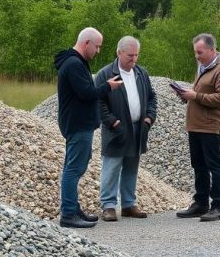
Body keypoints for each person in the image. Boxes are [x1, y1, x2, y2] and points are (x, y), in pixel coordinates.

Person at [53, 27, 121, 229]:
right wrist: (108, 86)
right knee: (73, 169)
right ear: (86, 43)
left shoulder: (74, 62)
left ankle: (73, 209)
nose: (98, 51)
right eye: (97, 46)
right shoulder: (74, 64)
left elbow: (84, 91)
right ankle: (68, 213)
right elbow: (86, 93)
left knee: (75, 167)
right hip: (78, 124)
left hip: (78, 123)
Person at [95, 35, 157, 221]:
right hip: (116, 129)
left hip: (138, 129)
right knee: (112, 167)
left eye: (136, 55)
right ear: (119, 52)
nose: (134, 59)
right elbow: (98, 101)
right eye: (130, 55)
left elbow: (152, 97)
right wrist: (112, 122)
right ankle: (108, 205)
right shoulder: (106, 74)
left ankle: (129, 204)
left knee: (132, 166)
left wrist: (149, 118)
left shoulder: (141, 73)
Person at [174, 33, 220, 222]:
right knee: (198, 165)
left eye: (199, 52)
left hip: (210, 126)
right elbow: (201, 94)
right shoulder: (202, 68)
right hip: (195, 125)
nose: (197, 56)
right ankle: (200, 203)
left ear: (211, 49)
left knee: (213, 165)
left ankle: (218, 206)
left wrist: (195, 96)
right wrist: (187, 96)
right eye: (195, 53)